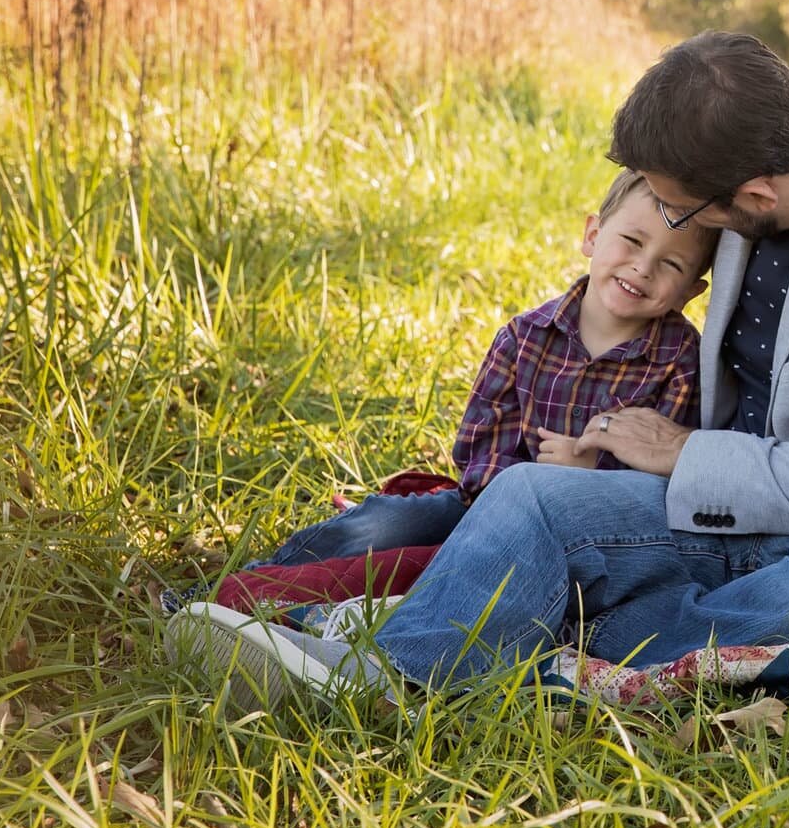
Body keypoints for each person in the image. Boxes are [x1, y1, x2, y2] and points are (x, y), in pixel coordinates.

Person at [168, 32, 789, 708]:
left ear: (755, 196)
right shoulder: (761, 137)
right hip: (705, 514)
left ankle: (534, 625)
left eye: (687, 213)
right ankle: (389, 678)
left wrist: (684, 450)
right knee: (530, 494)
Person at [249, 171, 709, 570]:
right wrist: (504, 510)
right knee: (392, 521)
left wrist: (588, 474)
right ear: (592, 235)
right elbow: (480, 446)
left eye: (671, 264)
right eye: (631, 241)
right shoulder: (525, 337)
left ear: (691, 290)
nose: (642, 267)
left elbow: (661, 483)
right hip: (485, 508)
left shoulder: (681, 361)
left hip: (591, 540)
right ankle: (253, 582)